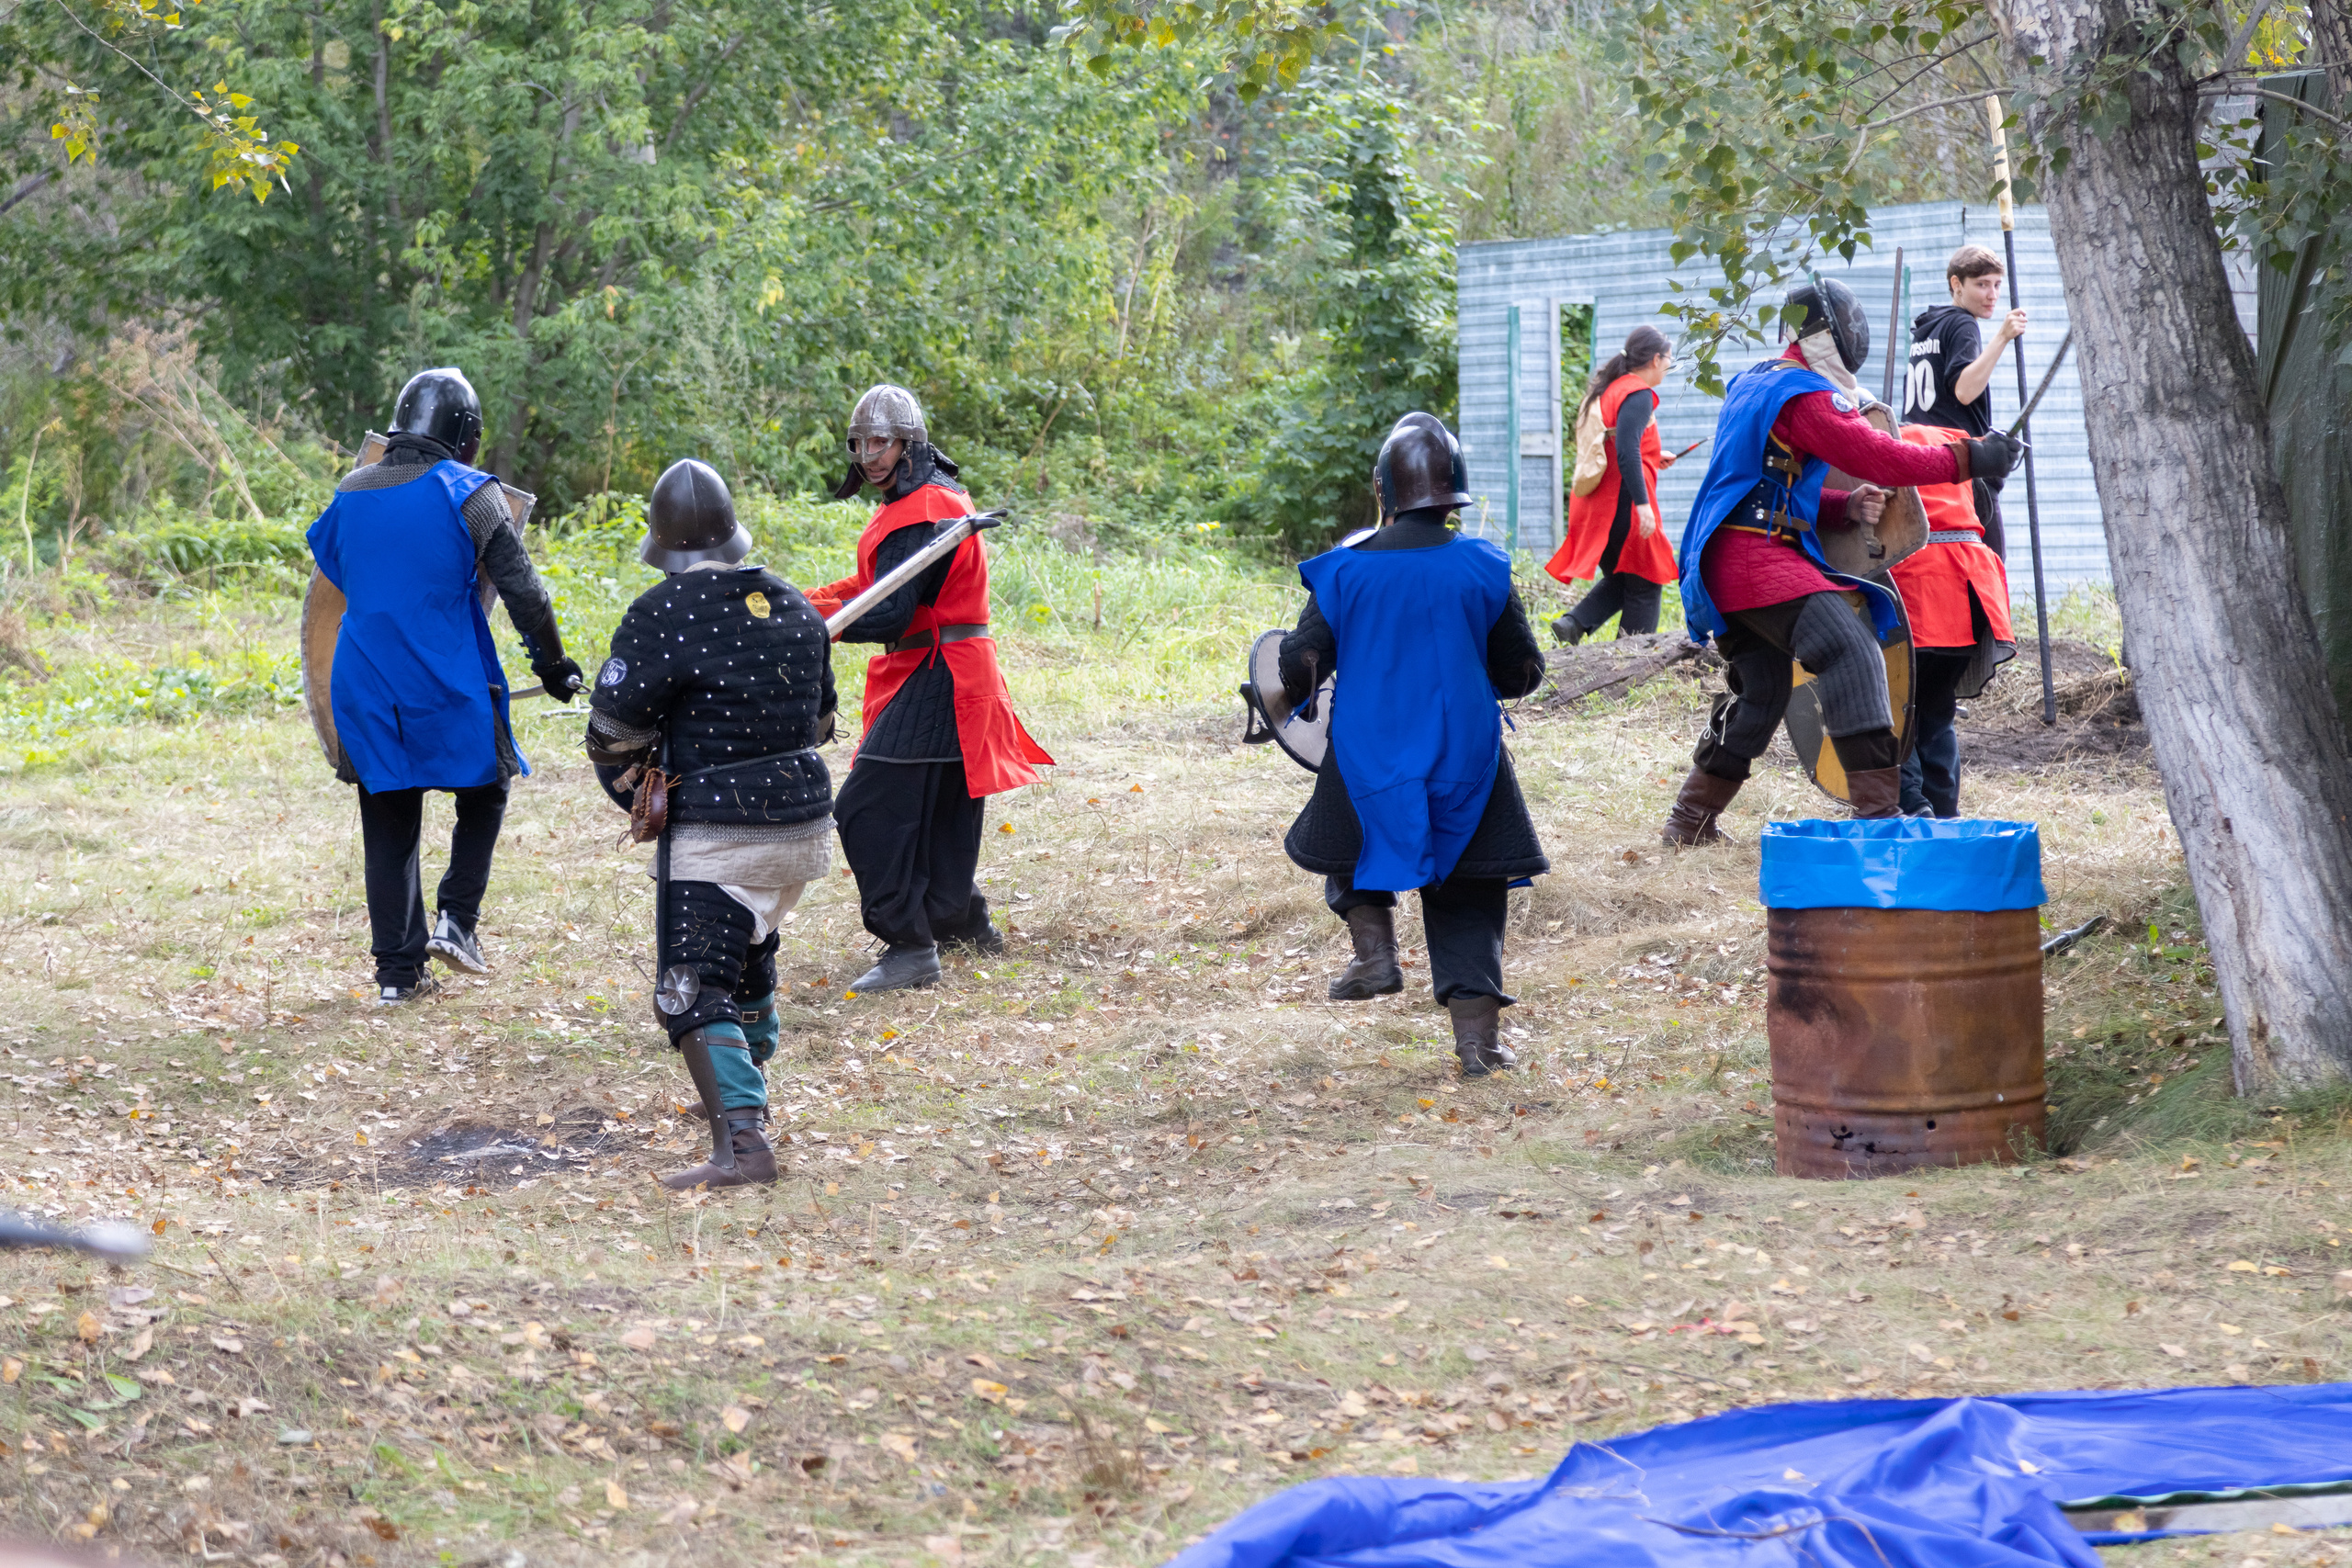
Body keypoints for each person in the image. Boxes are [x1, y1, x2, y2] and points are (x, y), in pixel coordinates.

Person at [1662, 278, 2025, 843]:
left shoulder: (1756, 381)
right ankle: (1880, 821)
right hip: (1756, 561)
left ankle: (1689, 822)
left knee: (1763, 693)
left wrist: (1843, 505)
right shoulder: (1804, 394)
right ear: (1828, 334)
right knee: (1852, 651)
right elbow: (1875, 453)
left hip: (1725, 557)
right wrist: (1970, 456)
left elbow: (1766, 486)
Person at [584, 459, 835, 1190]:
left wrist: (642, 769)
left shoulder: (663, 611)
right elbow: (819, 721)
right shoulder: (792, 603)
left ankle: (744, 1145)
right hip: (804, 827)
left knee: (690, 985)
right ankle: (740, 1092)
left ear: (663, 542)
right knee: (748, 954)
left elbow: (612, 735)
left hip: (721, 832)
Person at [1277, 412, 1549, 1079]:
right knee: (1471, 888)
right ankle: (1478, 1044)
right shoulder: (1482, 565)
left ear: (1386, 489)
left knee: (1343, 833)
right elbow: (1522, 671)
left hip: (1370, 753)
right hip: (1466, 756)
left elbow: (1299, 661)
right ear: (1453, 490)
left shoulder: (1346, 571)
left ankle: (1375, 956)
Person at [304, 367, 582, 1004]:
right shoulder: (472, 494)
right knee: (488, 784)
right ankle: (458, 918)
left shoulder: (351, 492)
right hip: (443, 679)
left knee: (389, 814)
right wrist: (553, 663)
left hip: (366, 682)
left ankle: (397, 976)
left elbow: (338, 573)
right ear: (466, 437)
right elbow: (525, 594)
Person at [806, 385, 1053, 995]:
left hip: (939, 670)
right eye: (861, 443)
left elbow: (889, 615)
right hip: (951, 668)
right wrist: (806, 602)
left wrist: (815, 627)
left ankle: (911, 945)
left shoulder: (924, 507)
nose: (869, 455)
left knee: (867, 808)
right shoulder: (919, 500)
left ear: (908, 444)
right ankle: (960, 922)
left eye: (881, 442)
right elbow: (877, 582)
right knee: (939, 809)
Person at [1888, 424, 2016, 816]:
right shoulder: (1956, 438)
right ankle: (1943, 814)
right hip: (1973, 588)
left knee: (1896, 709)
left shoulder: (1881, 438)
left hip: (1920, 586)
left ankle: (1912, 807)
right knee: (1936, 709)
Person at [1546, 326, 1683, 643]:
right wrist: (1643, 505)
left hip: (1599, 504)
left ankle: (1574, 623)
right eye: (1668, 359)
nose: (1669, 365)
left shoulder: (1613, 388)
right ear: (1654, 359)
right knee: (1646, 582)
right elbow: (1625, 450)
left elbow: (1621, 442)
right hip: (1622, 503)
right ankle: (1630, 664)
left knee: (1626, 580)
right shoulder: (1638, 393)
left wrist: (1652, 454)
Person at [1902, 243, 2027, 558]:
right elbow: (1964, 391)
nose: (1992, 295)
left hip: (1926, 467)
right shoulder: (1962, 324)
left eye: (1997, 285)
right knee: (1990, 564)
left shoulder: (1926, 328)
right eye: (1981, 284)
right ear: (1956, 284)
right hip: (1962, 468)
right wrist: (2002, 337)